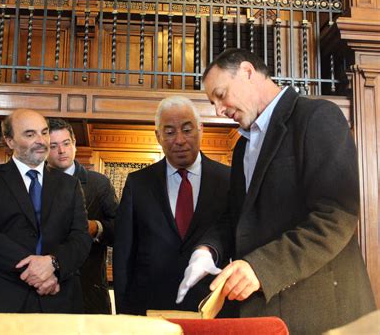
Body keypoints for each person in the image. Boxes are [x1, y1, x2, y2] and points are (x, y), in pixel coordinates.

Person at [176, 49, 376, 334]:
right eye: (213, 102)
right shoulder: (242, 146)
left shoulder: (316, 116)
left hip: (320, 315)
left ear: (247, 72)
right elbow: (237, 217)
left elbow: (336, 216)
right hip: (266, 315)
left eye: (221, 95)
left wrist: (260, 268)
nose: (219, 109)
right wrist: (207, 250)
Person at [0, 109, 92, 313]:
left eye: (44, 132)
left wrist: (53, 265)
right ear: (10, 140)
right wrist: (36, 272)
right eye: (30, 134)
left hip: (57, 297)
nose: (41, 140)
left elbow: (80, 237)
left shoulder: (70, 185)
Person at [113, 96, 231, 315]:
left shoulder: (228, 180)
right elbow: (123, 253)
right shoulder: (138, 183)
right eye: (169, 132)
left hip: (211, 306)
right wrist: (124, 313)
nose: (179, 140)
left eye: (187, 130)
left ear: (201, 129)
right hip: (150, 307)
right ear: (158, 136)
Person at [47, 118, 118, 314]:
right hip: (45, 290)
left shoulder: (99, 183)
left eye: (66, 143)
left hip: (88, 289)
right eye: (54, 146)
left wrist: (95, 227)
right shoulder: (34, 184)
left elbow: (120, 230)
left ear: (74, 144)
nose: (62, 151)